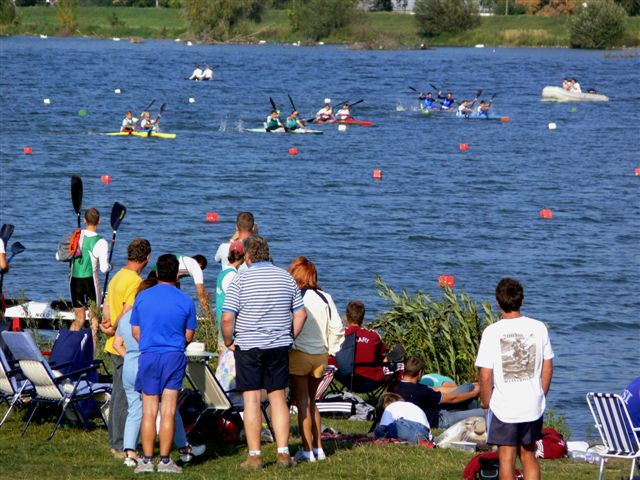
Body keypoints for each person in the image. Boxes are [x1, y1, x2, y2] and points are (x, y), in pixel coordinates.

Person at [221, 235, 307, 469]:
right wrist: (291, 337)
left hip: (248, 345)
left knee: (251, 399)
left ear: (247, 256)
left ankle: (255, 455)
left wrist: (229, 341)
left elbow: (228, 317)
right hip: (278, 345)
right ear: (268, 254)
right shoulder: (285, 278)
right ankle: (282, 453)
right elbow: (301, 314)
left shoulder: (240, 279)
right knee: (277, 397)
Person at [113, 278, 205, 468]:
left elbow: (116, 343)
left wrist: (129, 356)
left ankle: (130, 452)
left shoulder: (126, 317)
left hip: (129, 364)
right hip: (149, 361)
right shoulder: (153, 315)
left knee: (135, 411)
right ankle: (181, 448)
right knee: (169, 411)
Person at [475, 277, 554, 480]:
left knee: (506, 459)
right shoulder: (539, 328)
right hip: (532, 403)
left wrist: (486, 403)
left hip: (505, 406)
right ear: (522, 301)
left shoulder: (491, 332)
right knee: (529, 456)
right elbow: (547, 367)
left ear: (498, 302)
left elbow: (485, 375)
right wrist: (540, 394)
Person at [130, 254, 198, 474]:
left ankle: (147, 460)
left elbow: (136, 331)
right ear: (177, 274)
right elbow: (189, 335)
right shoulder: (186, 300)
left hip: (149, 355)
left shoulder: (142, 297)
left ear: (157, 273)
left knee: (149, 411)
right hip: (173, 356)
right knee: (168, 411)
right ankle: (166, 460)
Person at [288, 256, 344, 463]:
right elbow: (337, 328)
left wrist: (290, 344)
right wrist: (331, 349)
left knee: (302, 403)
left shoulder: (294, 296)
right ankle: (319, 449)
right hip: (321, 356)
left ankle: (306, 450)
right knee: (313, 402)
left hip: (299, 354)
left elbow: (290, 323)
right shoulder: (325, 297)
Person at [99, 237, 151, 459]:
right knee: (124, 397)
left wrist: (106, 323)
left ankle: (117, 440)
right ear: (147, 258)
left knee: (118, 392)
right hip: (125, 345)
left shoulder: (118, 275)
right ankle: (120, 445)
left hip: (114, 343)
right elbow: (128, 310)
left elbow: (108, 306)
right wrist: (115, 328)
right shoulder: (135, 281)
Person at [56, 208, 109, 341]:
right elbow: (103, 269)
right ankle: (92, 353)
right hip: (90, 282)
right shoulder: (101, 242)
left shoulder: (75, 236)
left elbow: (58, 256)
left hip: (74, 282)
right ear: (99, 222)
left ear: (85, 221)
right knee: (94, 319)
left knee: (79, 319)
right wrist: (110, 266)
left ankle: (68, 346)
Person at [396, 356, 485, 429]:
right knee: (484, 412)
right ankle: (479, 417)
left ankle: (473, 414)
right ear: (420, 373)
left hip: (436, 410)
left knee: (469, 386)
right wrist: (473, 394)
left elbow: (436, 390)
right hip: (439, 420)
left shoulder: (398, 387)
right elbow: (452, 399)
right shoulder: (421, 390)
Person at [336, 300, 388, 390]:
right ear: (363, 319)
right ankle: (393, 400)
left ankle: (315, 398)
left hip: (345, 378)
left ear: (346, 317)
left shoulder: (339, 335)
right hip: (370, 381)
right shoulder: (373, 336)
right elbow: (383, 351)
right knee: (393, 361)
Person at [215, 241, 244, 349]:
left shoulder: (223, 273)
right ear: (243, 256)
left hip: (222, 327)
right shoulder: (233, 276)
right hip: (230, 333)